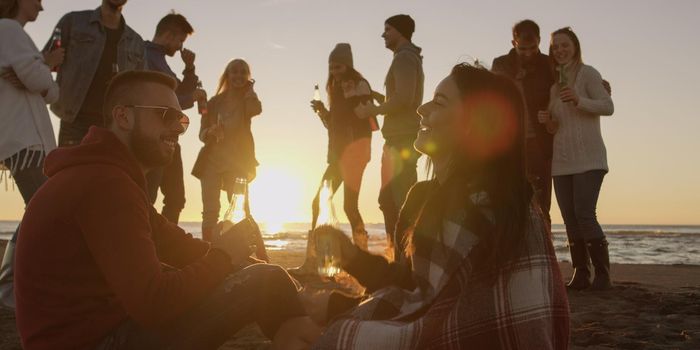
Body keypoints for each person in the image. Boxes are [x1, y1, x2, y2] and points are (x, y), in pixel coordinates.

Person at [14, 70, 319, 350]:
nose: (178, 128)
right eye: (165, 116)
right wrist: (226, 257)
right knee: (265, 280)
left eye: (182, 120)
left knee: (270, 279)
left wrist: (258, 270)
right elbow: (154, 303)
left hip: (100, 333)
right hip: (93, 342)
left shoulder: (108, 178)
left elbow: (181, 247)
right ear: (123, 117)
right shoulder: (104, 184)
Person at [302, 64, 569, 349]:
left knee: (293, 325)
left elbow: (433, 309)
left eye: (439, 102)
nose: (422, 109)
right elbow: (414, 286)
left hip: (448, 336)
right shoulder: (424, 197)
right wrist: (353, 258)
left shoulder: (497, 208)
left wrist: (338, 308)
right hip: (428, 323)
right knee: (270, 282)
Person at [538, 27, 615, 291]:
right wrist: (548, 121)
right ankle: (581, 273)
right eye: (555, 46)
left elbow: (608, 106)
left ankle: (603, 275)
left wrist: (580, 99)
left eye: (564, 45)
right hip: (562, 162)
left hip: (589, 158)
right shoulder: (554, 86)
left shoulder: (588, 73)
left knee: (584, 214)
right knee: (570, 218)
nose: (560, 50)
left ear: (575, 46)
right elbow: (555, 127)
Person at [291, 43, 376, 276]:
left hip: (354, 154)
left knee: (335, 204)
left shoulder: (356, 84)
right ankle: (318, 259)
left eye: (338, 66)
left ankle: (357, 258)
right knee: (332, 204)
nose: (334, 71)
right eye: (331, 67)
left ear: (348, 65)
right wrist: (322, 111)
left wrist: (354, 97)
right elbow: (334, 125)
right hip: (338, 155)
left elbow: (363, 114)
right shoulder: (337, 87)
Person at [0, 0, 64, 309]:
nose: (41, 5)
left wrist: (37, 68)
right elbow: (45, 86)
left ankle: (11, 286)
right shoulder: (10, 29)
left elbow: (37, 83)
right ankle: (9, 287)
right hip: (27, 142)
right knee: (44, 211)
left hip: (22, 141)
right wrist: (45, 66)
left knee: (38, 211)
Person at [355, 14, 424, 253]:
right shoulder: (405, 57)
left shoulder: (404, 58)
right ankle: (399, 256)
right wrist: (377, 97)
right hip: (399, 137)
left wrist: (371, 110)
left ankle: (403, 259)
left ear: (400, 31)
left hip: (402, 139)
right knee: (392, 201)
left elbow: (404, 99)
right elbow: (403, 97)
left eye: (387, 29)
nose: (383, 34)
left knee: (398, 202)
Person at [44, 0, 145, 147]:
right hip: (75, 122)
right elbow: (45, 61)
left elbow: (141, 89)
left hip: (115, 127)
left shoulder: (136, 42)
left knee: (106, 171)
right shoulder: (73, 22)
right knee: (72, 170)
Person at [144, 11, 206, 224]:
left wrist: (189, 68)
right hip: (153, 138)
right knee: (147, 196)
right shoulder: (145, 55)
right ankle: (145, 245)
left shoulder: (160, 60)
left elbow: (177, 91)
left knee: (176, 198)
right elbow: (163, 99)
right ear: (169, 34)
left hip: (171, 139)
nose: (180, 46)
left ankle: (163, 247)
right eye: (180, 40)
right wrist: (192, 98)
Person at [192, 59, 262, 247]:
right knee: (210, 211)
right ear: (227, 75)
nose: (238, 76)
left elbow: (256, 110)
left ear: (247, 76)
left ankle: (259, 254)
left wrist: (250, 92)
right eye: (234, 72)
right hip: (211, 161)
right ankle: (207, 251)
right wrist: (210, 132)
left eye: (243, 72)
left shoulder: (247, 100)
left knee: (242, 209)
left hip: (237, 162)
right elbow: (201, 133)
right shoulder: (213, 103)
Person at [492, 19, 555, 226]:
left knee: (542, 202)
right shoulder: (501, 64)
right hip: (510, 143)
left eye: (533, 47)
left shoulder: (549, 64)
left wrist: (599, 84)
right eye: (523, 48)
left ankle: (545, 252)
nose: (528, 53)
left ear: (539, 41)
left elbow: (571, 78)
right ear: (513, 42)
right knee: (509, 199)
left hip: (540, 142)